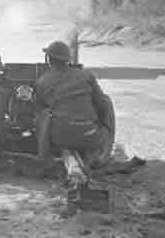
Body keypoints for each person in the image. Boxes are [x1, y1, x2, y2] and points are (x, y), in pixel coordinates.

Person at [34, 40, 110, 181]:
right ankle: (90, 158)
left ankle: (48, 156)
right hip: (89, 134)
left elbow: (38, 110)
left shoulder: (42, 82)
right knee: (102, 133)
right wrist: (101, 124)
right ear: (67, 60)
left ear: (49, 59)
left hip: (59, 136)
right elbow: (102, 104)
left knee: (44, 116)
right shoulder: (86, 76)